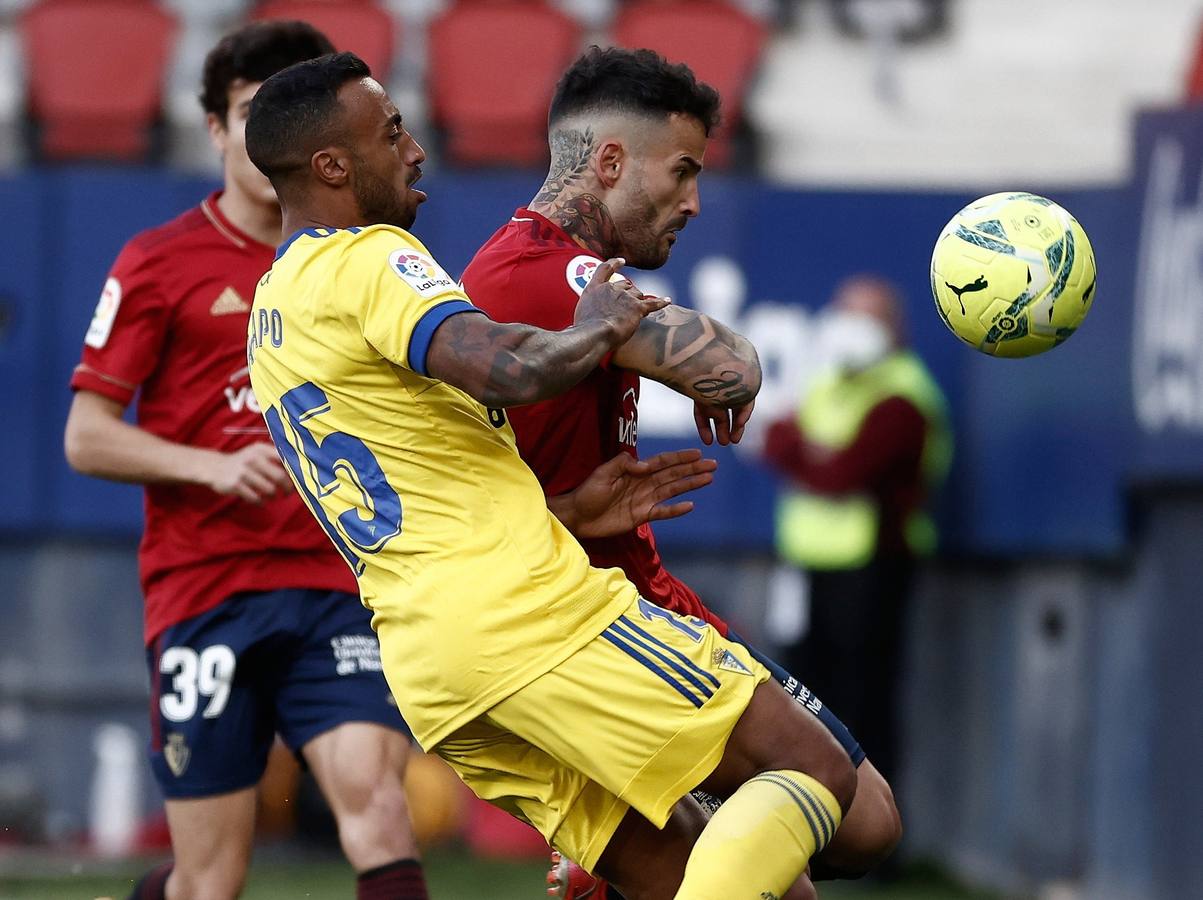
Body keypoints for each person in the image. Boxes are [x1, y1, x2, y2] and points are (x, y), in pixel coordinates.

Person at [243, 50, 868, 900]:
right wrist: (599, 328)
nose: (416, 150)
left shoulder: (274, 310)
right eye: (392, 133)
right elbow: (503, 364)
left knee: (709, 876)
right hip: (522, 618)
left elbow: (416, 483)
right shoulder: (366, 257)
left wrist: (567, 508)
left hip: (433, 665)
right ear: (331, 165)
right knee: (815, 772)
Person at [459, 47, 902, 899]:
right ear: (611, 162)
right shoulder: (543, 273)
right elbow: (733, 368)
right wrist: (711, 363)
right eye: (683, 171)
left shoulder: (562, 277)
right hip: (582, 626)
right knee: (844, 810)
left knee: (848, 827)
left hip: (634, 598)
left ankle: (616, 854)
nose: (694, 201)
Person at [762, 274, 952, 791]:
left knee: (865, 700)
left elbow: (841, 474)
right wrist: (811, 454)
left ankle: (874, 832)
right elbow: (773, 437)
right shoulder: (829, 381)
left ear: (892, 329)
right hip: (809, 565)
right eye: (843, 313)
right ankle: (814, 823)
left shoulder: (901, 396)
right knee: (805, 701)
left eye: (863, 317)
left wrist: (812, 455)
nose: (848, 328)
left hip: (873, 566)